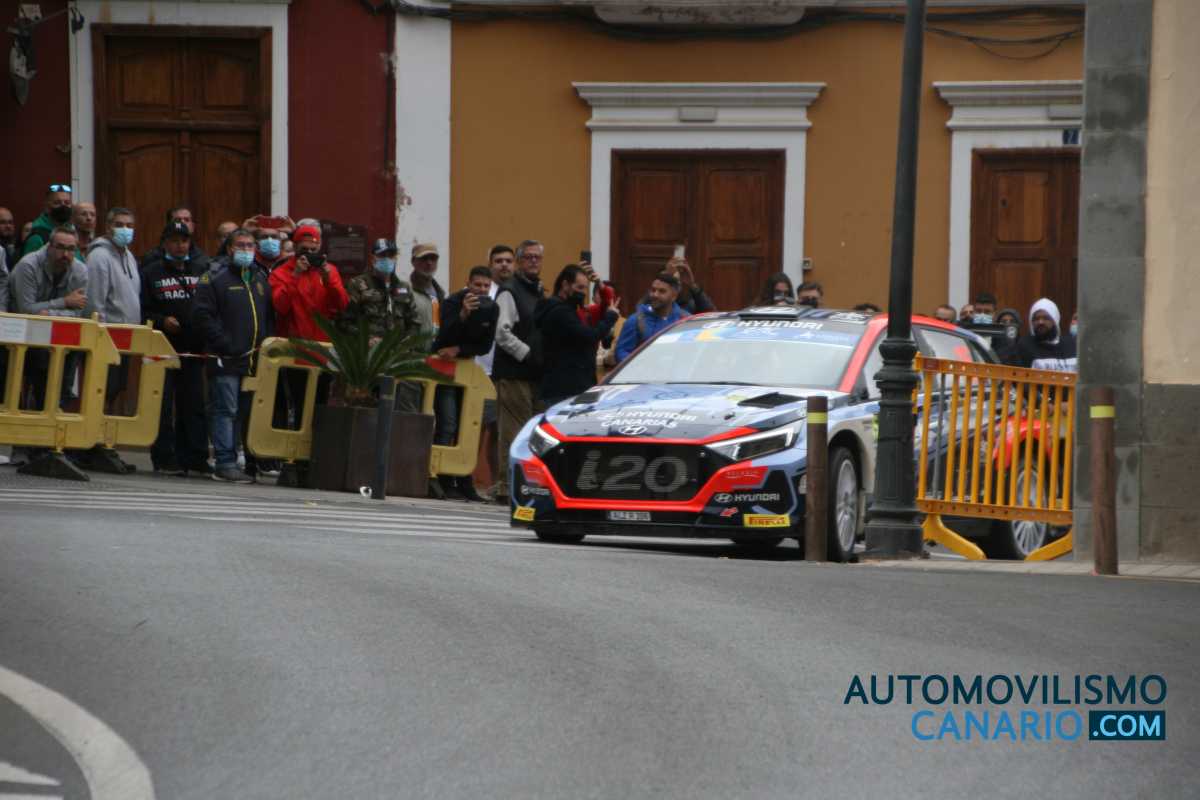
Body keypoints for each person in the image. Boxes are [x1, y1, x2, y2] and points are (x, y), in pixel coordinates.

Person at [193, 228, 274, 483]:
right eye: (241, 245)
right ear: (229, 249)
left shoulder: (259, 278)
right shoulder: (214, 277)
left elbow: (268, 316)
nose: (246, 250)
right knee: (225, 409)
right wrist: (225, 344)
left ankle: (237, 458)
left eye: (250, 245)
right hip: (225, 357)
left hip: (252, 361)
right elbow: (202, 316)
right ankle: (224, 462)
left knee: (242, 411)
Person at [141, 221, 211, 476]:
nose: (180, 245)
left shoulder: (202, 270)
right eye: (174, 241)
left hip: (193, 348)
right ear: (164, 243)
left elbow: (210, 304)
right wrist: (162, 321)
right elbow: (142, 310)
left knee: (193, 404)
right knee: (162, 405)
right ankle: (164, 457)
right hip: (162, 348)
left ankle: (195, 457)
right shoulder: (151, 272)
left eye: (184, 240)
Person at [432, 265, 500, 501]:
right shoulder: (452, 302)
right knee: (448, 423)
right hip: (445, 370)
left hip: (468, 370)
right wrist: (462, 315)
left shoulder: (492, 308)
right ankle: (441, 479)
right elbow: (442, 337)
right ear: (468, 284)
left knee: (468, 427)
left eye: (486, 286)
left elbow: (485, 346)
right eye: (477, 285)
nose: (481, 290)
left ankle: (464, 481)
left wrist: (459, 349)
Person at [339, 238, 422, 412]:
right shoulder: (358, 285)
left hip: (397, 361)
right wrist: (366, 339)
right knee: (367, 410)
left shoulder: (404, 288)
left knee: (401, 408)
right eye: (382, 255)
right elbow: (344, 323)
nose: (387, 259)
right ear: (373, 258)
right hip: (367, 363)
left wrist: (405, 344)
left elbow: (414, 323)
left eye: (391, 255)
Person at [492, 239, 546, 504]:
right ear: (519, 261)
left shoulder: (539, 291)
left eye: (537, 257)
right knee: (513, 431)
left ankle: (528, 483)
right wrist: (527, 354)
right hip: (513, 372)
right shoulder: (509, 291)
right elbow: (502, 333)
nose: (533, 261)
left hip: (535, 373)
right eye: (528, 257)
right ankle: (506, 486)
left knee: (533, 432)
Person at [537, 263, 620, 408]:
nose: (583, 293)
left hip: (576, 385)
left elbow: (606, 305)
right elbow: (590, 336)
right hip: (564, 389)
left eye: (585, 288)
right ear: (565, 285)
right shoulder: (560, 312)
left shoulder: (571, 309)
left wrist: (599, 283)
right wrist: (610, 318)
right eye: (579, 288)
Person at [474, 244, 514, 490]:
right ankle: (466, 480)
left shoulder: (517, 292)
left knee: (500, 431)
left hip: (506, 372)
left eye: (508, 260)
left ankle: (498, 483)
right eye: (499, 261)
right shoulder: (482, 291)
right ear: (490, 264)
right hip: (481, 370)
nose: (504, 265)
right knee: (475, 427)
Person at [269, 224, 349, 341]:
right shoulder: (280, 273)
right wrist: (295, 275)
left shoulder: (329, 270)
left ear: (319, 247)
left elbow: (342, 305)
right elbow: (280, 307)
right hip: (292, 343)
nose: (309, 253)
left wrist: (329, 281)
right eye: (304, 250)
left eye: (313, 250)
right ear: (295, 247)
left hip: (322, 343)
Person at [84, 208, 141, 324]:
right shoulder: (98, 257)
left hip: (131, 331)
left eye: (129, 226)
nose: (125, 229)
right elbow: (94, 304)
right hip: (108, 332)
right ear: (108, 227)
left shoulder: (129, 256)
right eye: (119, 225)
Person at [615, 272, 687, 363]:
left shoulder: (685, 320)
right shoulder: (636, 321)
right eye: (653, 290)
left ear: (674, 296)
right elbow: (621, 352)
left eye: (662, 291)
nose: (655, 295)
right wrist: (640, 366)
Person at [1004, 298, 1077, 372]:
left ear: (1055, 320)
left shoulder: (1072, 344)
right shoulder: (1024, 346)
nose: (1040, 322)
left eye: (1046, 318)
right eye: (1036, 319)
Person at [22, 185, 74, 256]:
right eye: (57, 203)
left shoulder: (72, 230)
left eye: (67, 203)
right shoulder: (37, 237)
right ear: (47, 207)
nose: (63, 206)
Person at [409, 242, 446, 336]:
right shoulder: (407, 290)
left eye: (433, 259)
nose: (429, 263)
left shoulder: (439, 292)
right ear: (413, 261)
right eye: (424, 258)